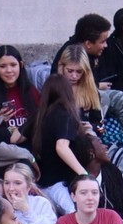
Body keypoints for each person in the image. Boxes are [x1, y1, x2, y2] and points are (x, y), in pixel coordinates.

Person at [31, 73, 87, 215]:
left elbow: (15, 138)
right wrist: (83, 173)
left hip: (41, 185)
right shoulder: (65, 114)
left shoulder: (38, 116)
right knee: (75, 216)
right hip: (60, 185)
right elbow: (61, 147)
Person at [0, 45, 40, 144]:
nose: (9, 70)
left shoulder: (31, 91)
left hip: (30, 146)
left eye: (13, 65)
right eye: (3, 66)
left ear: (21, 65)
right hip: (1, 149)